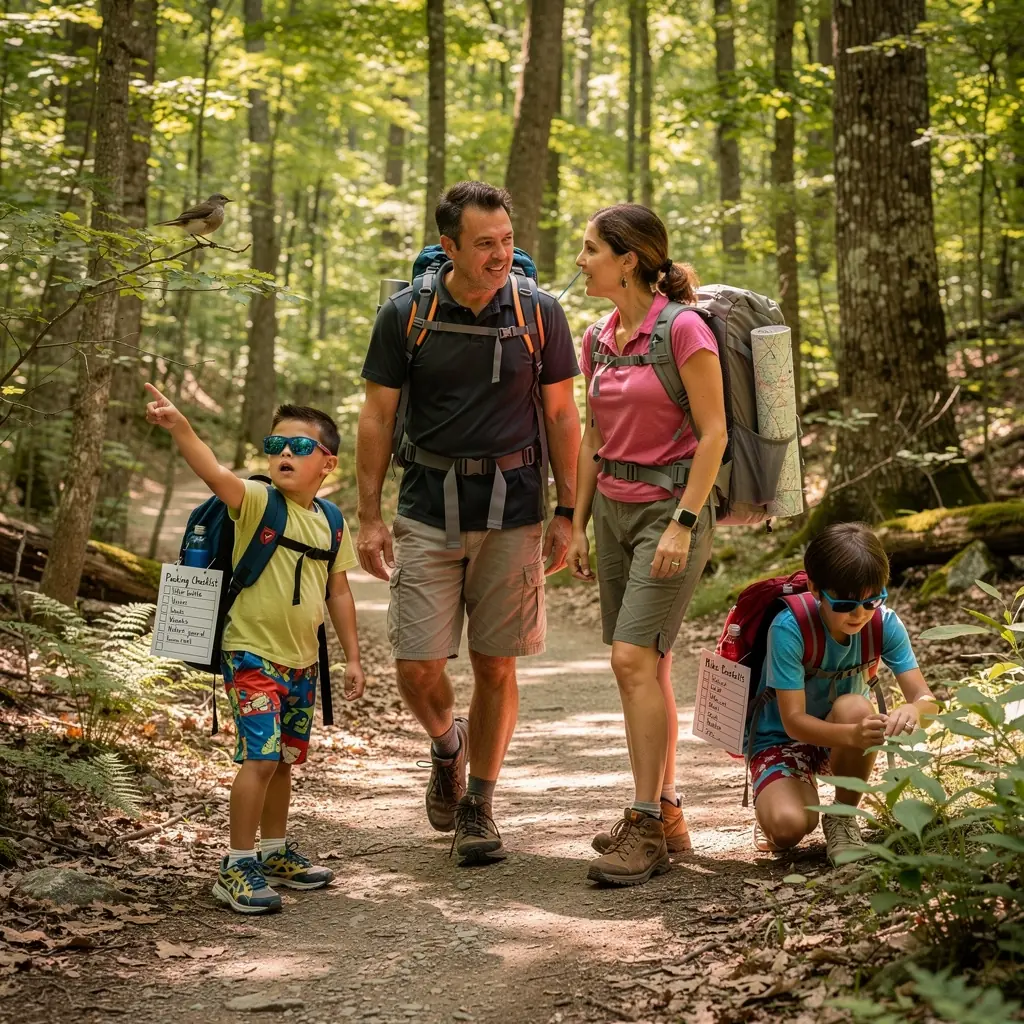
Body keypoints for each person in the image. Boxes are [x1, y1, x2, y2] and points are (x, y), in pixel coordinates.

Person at [356, 181, 581, 866]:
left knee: (496, 662)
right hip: (427, 505)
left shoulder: (539, 314)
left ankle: (479, 803)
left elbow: (565, 417)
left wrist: (569, 510)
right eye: (485, 244)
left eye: (508, 241)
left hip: (514, 510)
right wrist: (367, 516)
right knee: (417, 663)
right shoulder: (406, 315)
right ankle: (447, 747)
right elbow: (376, 417)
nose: (500, 254)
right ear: (448, 246)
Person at [144, 385, 364, 913]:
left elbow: (339, 591)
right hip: (250, 654)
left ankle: (272, 851)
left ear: (327, 464)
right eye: (276, 445)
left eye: (299, 448)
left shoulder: (332, 522)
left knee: (285, 760)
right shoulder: (259, 501)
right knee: (260, 760)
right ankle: (237, 863)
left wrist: (352, 656)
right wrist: (181, 428)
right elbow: (213, 474)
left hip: (302, 663)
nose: (284, 454)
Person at [566, 204, 728, 887]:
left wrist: (684, 523)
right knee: (647, 665)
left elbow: (714, 433)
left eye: (591, 248)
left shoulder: (683, 329)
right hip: (613, 513)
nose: (581, 260)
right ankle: (666, 812)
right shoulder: (598, 336)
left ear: (628, 259)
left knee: (632, 656)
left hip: (671, 511)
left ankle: (645, 826)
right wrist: (573, 522)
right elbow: (592, 437)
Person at [748, 522, 938, 866]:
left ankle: (841, 816)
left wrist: (913, 711)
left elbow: (927, 700)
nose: (859, 614)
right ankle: (776, 803)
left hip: (843, 730)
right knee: (789, 828)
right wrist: (853, 734)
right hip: (782, 738)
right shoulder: (789, 629)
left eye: (872, 600)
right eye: (846, 603)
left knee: (855, 706)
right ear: (815, 589)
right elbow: (793, 723)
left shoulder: (884, 623)